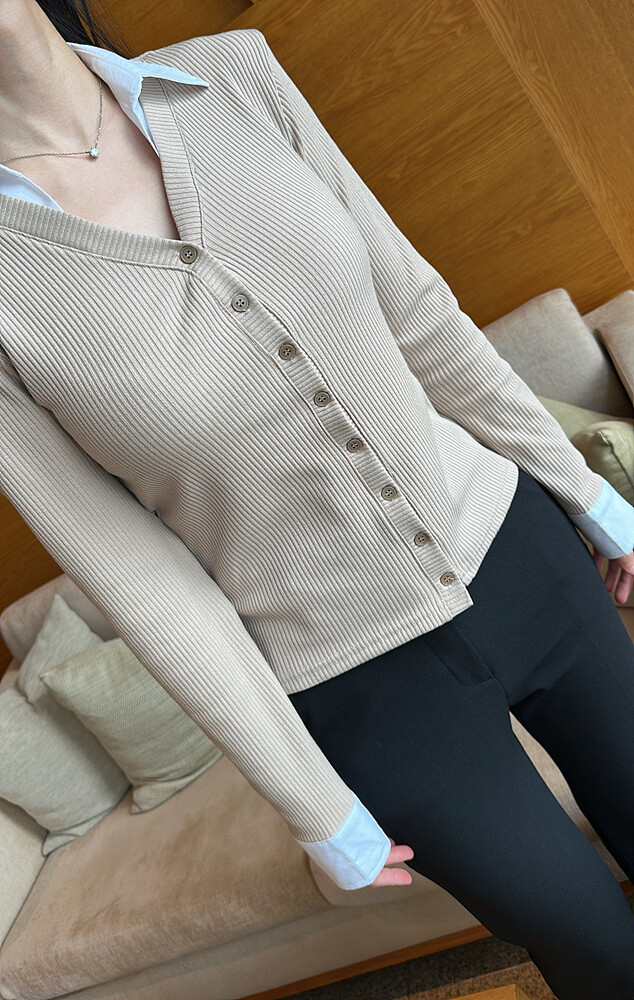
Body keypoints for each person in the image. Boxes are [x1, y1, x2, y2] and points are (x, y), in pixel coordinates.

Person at [0, 2, 633, 996]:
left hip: (520, 551)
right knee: (600, 954)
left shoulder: (231, 76)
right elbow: (140, 580)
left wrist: (586, 490)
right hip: (363, 692)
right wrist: (310, 804)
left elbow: (419, 315)